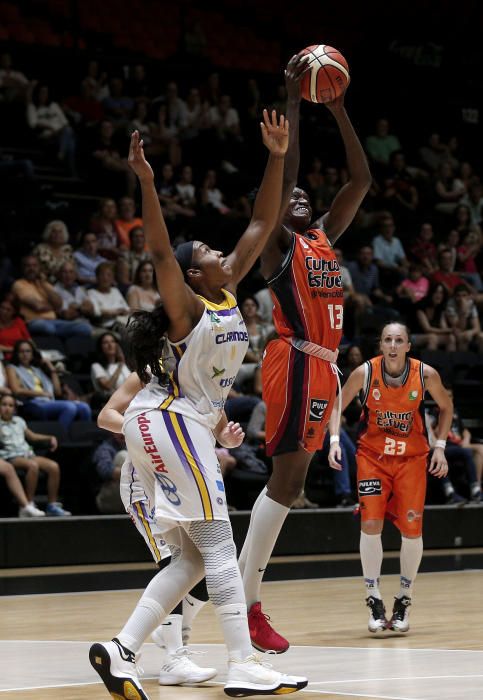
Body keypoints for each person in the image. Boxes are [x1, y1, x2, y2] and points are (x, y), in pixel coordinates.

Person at [89, 117, 308, 698]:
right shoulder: (186, 310)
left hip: (174, 422)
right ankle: (242, 664)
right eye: (208, 251)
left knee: (188, 558)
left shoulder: (227, 283)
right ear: (192, 274)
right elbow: (159, 248)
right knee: (218, 543)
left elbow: (263, 221)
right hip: (167, 420)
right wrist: (146, 181)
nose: (220, 251)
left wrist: (277, 157)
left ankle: (121, 649)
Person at [238, 54, 372, 654]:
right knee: (286, 482)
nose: (297, 193)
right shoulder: (277, 247)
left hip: (321, 362)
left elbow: (361, 182)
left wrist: (340, 112)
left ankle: (239, 599)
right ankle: (245, 604)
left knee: (292, 486)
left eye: (302, 192)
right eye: (285, 193)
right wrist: (292, 105)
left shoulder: (321, 236)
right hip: (293, 357)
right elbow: (282, 174)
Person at [97, 372, 221, 685]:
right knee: (175, 561)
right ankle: (174, 658)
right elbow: (105, 415)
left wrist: (227, 436)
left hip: (185, 481)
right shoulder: (147, 374)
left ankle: (168, 635)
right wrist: (141, 425)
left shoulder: (200, 374)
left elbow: (217, 427)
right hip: (146, 482)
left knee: (202, 569)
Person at [328, 323, 452, 633]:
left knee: (412, 531)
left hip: (411, 460)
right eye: (387, 340)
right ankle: (373, 597)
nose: (393, 345)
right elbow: (337, 403)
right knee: (371, 524)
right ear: (380, 345)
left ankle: (404, 599)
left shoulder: (425, 375)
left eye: (399, 340)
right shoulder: (365, 373)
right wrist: (332, 441)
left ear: (408, 345)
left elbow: (446, 407)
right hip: (373, 458)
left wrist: (441, 446)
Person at [0, 394, 71, 516]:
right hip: (11, 456)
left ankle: (52, 505)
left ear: (14, 409)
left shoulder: (19, 421)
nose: (7, 408)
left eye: (10, 405)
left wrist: (50, 437)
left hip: (27, 453)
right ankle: (29, 503)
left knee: (53, 467)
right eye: (4, 405)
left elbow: (32, 436)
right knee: (32, 465)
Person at [6, 340, 92, 428]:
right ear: (16, 353)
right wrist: (42, 393)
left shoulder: (37, 369)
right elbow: (16, 390)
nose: (25, 354)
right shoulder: (12, 368)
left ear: (32, 353)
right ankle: (60, 436)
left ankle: (86, 436)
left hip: (48, 401)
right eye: (21, 351)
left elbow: (57, 391)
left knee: (84, 407)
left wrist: (51, 367)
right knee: (69, 407)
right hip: (33, 403)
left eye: (28, 351)